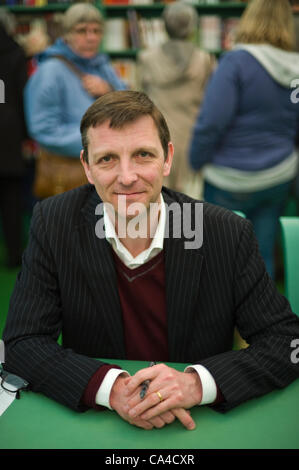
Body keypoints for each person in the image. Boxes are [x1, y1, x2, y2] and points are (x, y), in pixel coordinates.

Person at [2, 91, 299, 431]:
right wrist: (112, 389)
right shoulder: (54, 223)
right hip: (101, 425)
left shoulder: (225, 233)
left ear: (167, 158)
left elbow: (286, 342)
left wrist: (195, 384)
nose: (127, 177)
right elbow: (21, 343)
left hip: (198, 426)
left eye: (143, 155)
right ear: (86, 167)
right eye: (107, 159)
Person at [189, 0, 299, 279]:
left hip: (228, 178)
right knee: (262, 257)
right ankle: (261, 320)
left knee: (220, 257)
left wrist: (196, 160)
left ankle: (222, 320)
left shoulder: (236, 62)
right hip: (279, 174)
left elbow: (211, 122)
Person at [24, 2, 126, 159]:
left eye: (96, 31)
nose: (91, 37)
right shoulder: (50, 71)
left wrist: (110, 90)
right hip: (68, 169)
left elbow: (131, 106)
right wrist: (99, 141)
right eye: (81, 31)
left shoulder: (103, 65)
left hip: (108, 163)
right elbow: (43, 130)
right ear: (66, 35)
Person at [137, 1, 215, 199]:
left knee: (155, 202)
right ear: (192, 27)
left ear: (164, 25)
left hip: (156, 138)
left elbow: (136, 102)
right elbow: (211, 104)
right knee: (188, 209)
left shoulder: (147, 59)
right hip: (192, 141)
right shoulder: (204, 59)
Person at [0, 11, 28, 268]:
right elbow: (21, 95)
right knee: (11, 197)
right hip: (9, 134)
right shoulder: (16, 53)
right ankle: (14, 254)